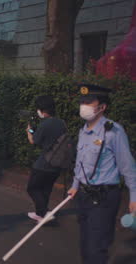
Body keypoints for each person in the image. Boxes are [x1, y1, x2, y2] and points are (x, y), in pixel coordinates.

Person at [67, 84, 136, 264]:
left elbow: (127, 167)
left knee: (96, 247)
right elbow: (80, 164)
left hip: (104, 197)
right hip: (83, 195)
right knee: (84, 244)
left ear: (102, 107)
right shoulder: (83, 130)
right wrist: (75, 186)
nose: (84, 105)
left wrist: (134, 196)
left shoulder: (114, 132)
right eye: (82, 101)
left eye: (89, 102)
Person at [25, 95, 66, 222]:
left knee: (32, 188)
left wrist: (28, 131)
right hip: (57, 164)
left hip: (44, 164)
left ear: (42, 110)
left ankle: (44, 213)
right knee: (46, 189)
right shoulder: (61, 123)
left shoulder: (45, 124)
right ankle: (39, 214)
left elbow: (34, 141)